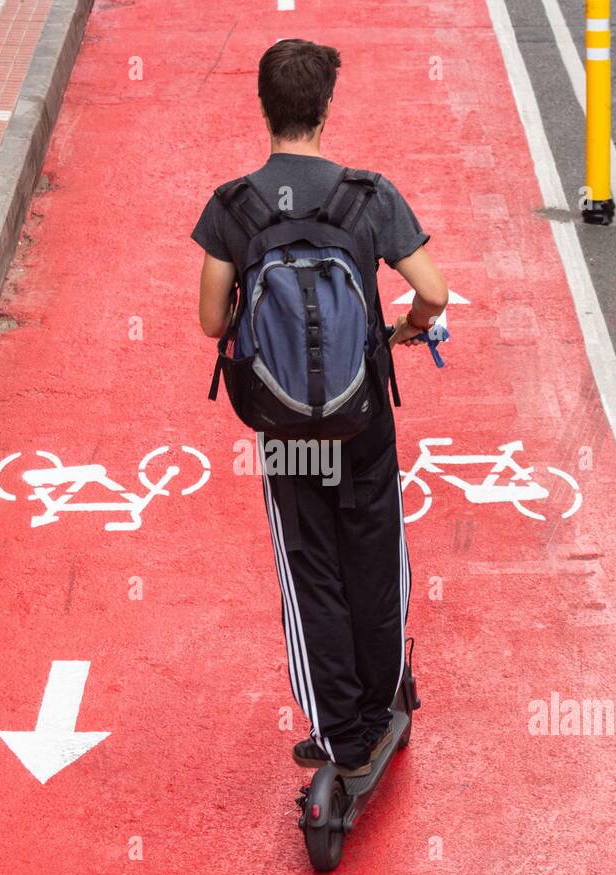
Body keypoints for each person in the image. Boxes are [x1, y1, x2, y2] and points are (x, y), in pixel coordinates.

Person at [191, 39, 448, 776]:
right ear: (327, 108)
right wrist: (406, 330)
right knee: (375, 559)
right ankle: (377, 708)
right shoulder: (368, 195)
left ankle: (340, 733)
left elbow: (211, 323)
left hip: (283, 429)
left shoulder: (232, 206)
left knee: (312, 574)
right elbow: (433, 291)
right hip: (362, 416)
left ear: (264, 107)